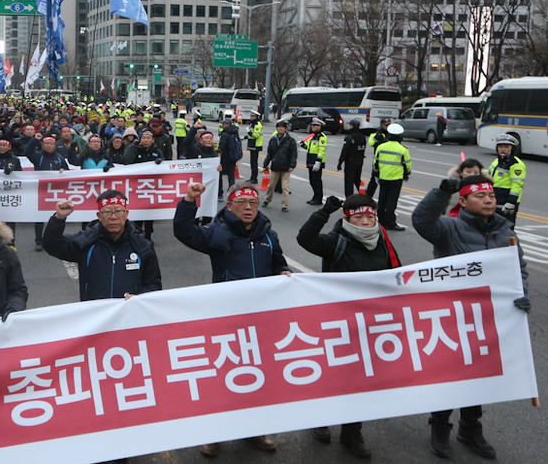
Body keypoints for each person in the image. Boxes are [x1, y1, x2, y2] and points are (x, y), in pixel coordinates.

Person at [412, 175, 530, 460]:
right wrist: (441, 192)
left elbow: (518, 268)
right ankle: (439, 427)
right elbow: (422, 221)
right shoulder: (449, 228)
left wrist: (521, 294)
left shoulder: (505, 230)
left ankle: (470, 428)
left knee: (480, 375)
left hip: (489, 319)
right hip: (453, 317)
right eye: (480, 196)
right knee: (450, 375)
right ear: (463, 202)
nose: (489, 200)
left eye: (490, 195)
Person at [173, 181, 291, 455]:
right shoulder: (219, 233)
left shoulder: (268, 235)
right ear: (230, 206)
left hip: (261, 319)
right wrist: (189, 200)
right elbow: (184, 232)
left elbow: (278, 263)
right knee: (222, 377)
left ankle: (255, 430)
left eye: (253, 203)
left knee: (258, 375)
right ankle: (213, 433)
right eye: (242, 203)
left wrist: (283, 272)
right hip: (227, 319)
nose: (248, 208)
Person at [296, 194, 402, 458]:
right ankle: (319, 419)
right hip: (337, 324)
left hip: (371, 324)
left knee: (360, 380)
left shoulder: (383, 241)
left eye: (370, 217)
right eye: (359, 217)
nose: (366, 222)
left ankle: (352, 432)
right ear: (348, 219)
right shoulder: (336, 241)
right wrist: (325, 211)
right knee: (331, 376)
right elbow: (305, 239)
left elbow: (397, 276)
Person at [42, 190, 162, 300]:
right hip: (95, 317)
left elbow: (154, 285)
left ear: (126, 214)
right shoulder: (86, 242)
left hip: (130, 317)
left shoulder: (142, 246)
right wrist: (59, 218)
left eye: (118, 211)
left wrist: (138, 298)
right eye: (107, 212)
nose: (113, 217)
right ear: (99, 216)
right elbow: (53, 246)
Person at [25, 134, 69, 251]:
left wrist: (63, 171)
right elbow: (27, 151)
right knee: (39, 217)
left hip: (56, 191)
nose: (49, 146)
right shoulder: (37, 156)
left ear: (55, 146)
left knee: (57, 216)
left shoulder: (60, 158)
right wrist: (35, 140)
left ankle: (55, 239)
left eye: (51, 144)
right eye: (46, 144)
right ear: (43, 145)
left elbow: (68, 171)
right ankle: (39, 241)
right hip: (41, 190)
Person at [372, 123, 411, 231]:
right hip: (396, 178)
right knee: (392, 201)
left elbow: (375, 162)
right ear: (399, 136)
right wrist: (406, 174)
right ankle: (390, 222)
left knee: (382, 199)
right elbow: (407, 164)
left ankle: (380, 220)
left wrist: (376, 174)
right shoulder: (403, 149)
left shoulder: (381, 147)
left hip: (383, 177)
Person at [487, 133, 525, 225]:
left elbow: (517, 184)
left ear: (512, 148)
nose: (502, 149)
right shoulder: (497, 161)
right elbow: (490, 174)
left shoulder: (516, 164)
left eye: (506, 146)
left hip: (507, 201)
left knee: (506, 229)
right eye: (500, 146)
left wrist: (511, 202)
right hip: (495, 197)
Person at [261, 120, 297, 213]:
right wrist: (266, 163)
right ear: (276, 128)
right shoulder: (273, 140)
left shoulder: (290, 140)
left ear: (285, 129)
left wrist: (292, 165)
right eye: (278, 127)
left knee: (285, 188)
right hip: (276, 166)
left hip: (286, 167)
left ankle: (284, 205)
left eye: (282, 127)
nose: (280, 129)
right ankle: (267, 200)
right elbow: (270, 154)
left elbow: (293, 154)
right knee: (271, 186)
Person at [301, 118, 327, 205]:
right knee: (312, 181)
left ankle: (318, 198)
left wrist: (318, 162)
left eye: (315, 125)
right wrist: (302, 145)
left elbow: (321, 150)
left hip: (317, 162)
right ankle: (315, 196)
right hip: (311, 160)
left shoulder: (322, 137)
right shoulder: (313, 136)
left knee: (317, 181)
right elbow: (310, 148)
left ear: (319, 126)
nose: (312, 127)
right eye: (312, 125)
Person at [338, 119, 366, 196]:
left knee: (349, 181)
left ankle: (349, 199)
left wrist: (340, 162)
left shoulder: (349, 137)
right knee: (357, 180)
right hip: (360, 161)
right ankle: (365, 196)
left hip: (350, 162)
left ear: (351, 126)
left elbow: (345, 151)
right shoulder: (362, 137)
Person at [217, 113, 242, 199]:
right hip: (233, 157)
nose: (222, 125)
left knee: (219, 175)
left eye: (223, 124)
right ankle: (232, 193)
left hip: (225, 158)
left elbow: (221, 146)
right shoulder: (235, 132)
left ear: (227, 124)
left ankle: (220, 194)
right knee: (231, 176)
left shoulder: (225, 134)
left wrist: (218, 157)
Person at [366, 117, 392, 197]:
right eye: (386, 125)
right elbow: (370, 143)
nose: (387, 127)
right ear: (381, 125)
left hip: (388, 161)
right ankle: (367, 197)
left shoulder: (391, 134)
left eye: (388, 125)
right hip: (378, 160)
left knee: (386, 182)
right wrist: (377, 136)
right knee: (374, 180)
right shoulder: (376, 134)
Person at [245, 111, 264, 185]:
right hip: (252, 145)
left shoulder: (257, 125)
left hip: (256, 145)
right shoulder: (253, 124)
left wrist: (248, 132)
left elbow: (256, 135)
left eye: (252, 116)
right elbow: (251, 135)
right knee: (252, 162)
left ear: (255, 117)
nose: (251, 117)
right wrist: (245, 137)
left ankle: (254, 178)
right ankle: (252, 177)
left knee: (254, 163)